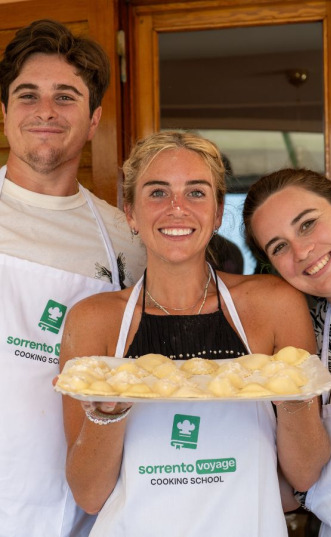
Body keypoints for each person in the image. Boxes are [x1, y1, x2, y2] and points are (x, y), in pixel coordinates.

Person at [59, 131, 331, 537]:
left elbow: (304, 475)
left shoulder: (273, 305)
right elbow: (89, 495)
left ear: (219, 212)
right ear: (130, 212)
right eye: (157, 193)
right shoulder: (94, 320)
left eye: (196, 193)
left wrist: (294, 398)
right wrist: (108, 411)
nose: (177, 209)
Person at [0, 19, 145, 537]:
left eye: (66, 97)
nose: (45, 110)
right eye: (27, 95)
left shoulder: (127, 241)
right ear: (4, 114)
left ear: (93, 121)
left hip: (78, 511)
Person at [242, 167, 331, 537]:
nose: (302, 251)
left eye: (307, 224)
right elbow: (296, 486)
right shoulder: (299, 342)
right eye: (279, 246)